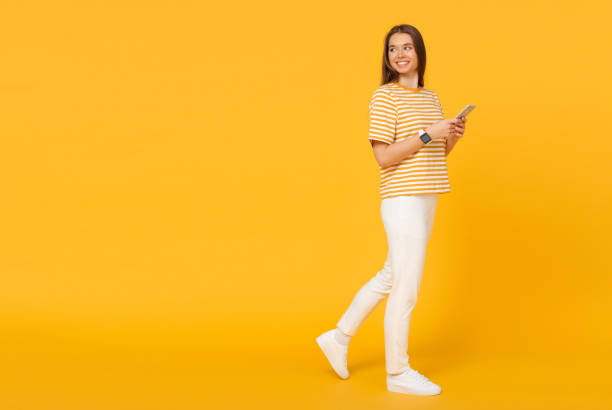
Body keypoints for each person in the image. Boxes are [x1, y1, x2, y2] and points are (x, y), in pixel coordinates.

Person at [316, 24, 467, 396]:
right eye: (393, 49)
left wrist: (452, 138)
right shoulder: (384, 97)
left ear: (419, 53)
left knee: (391, 274)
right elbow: (384, 158)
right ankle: (398, 372)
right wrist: (430, 133)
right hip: (402, 200)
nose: (400, 54)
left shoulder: (430, 97)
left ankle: (339, 337)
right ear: (387, 58)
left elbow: (429, 156)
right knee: (407, 285)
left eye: (408, 47)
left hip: (427, 195)